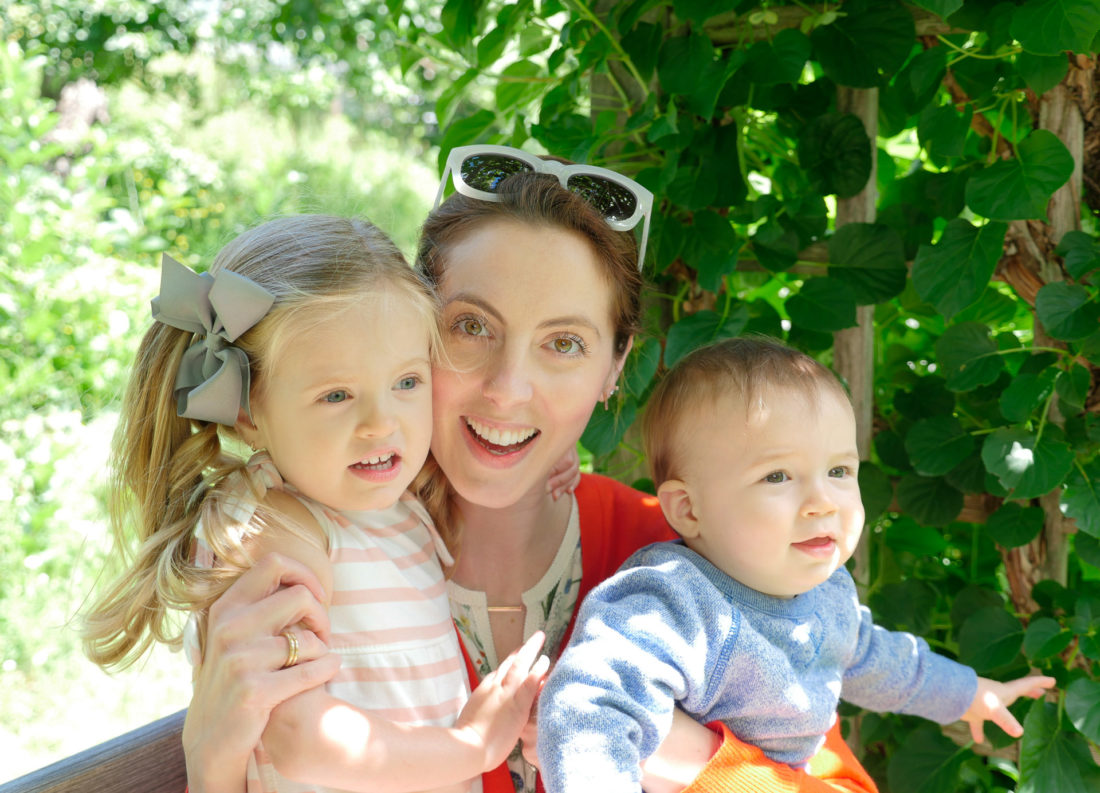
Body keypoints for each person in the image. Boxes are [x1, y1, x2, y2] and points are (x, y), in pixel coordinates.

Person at [181, 146, 886, 793]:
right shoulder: (330, 544)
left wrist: (670, 745)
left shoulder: (686, 555)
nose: (508, 388)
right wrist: (209, 764)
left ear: (614, 366)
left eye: (565, 343)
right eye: (472, 327)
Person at [82, 215, 551, 793]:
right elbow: (303, 742)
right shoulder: (275, 522)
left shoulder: (394, 510)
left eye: (406, 382)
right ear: (250, 412)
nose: (382, 423)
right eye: (336, 395)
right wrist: (472, 746)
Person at [536, 337, 1056, 792]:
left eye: (838, 470)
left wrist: (969, 693)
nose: (823, 502)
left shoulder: (826, 594)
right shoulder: (673, 600)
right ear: (689, 509)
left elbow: (879, 659)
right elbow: (589, 705)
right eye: (778, 476)